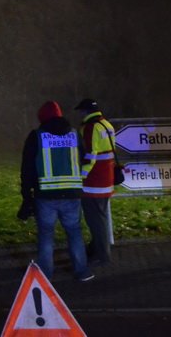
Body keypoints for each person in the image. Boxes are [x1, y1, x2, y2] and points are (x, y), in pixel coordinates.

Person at [20, 101, 93, 282]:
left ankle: (45, 275)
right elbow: (84, 157)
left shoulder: (36, 136)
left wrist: (26, 193)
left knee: (46, 235)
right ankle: (82, 271)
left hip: (45, 195)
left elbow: (27, 168)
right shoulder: (75, 135)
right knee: (74, 232)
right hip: (72, 193)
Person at [75, 98, 117, 266]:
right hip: (106, 179)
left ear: (85, 111)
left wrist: (81, 177)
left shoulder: (90, 127)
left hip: (93, 183)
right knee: (100, 218)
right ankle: (94, 250)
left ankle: (103, 256)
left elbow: (90, 156)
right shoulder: (107, 124)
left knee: (95, 221)